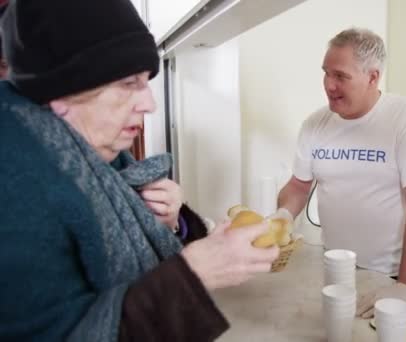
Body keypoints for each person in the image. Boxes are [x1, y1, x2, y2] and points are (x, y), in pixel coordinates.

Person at [0, 0, 278, 341]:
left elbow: (142, 233)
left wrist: (175, 222)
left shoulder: (90, 151)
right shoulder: (15, 189)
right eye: (129, 83)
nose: (150, 104)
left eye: (146, 82)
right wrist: (195, 274)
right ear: (61, 88)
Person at [269, 27, 406, 311]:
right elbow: (299, 187)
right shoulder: (315, 123)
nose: (329, 85)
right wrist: (284, 214)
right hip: (333, 266)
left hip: (389, 274)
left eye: (341, 76)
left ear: (373, 77)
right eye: (326, 72)